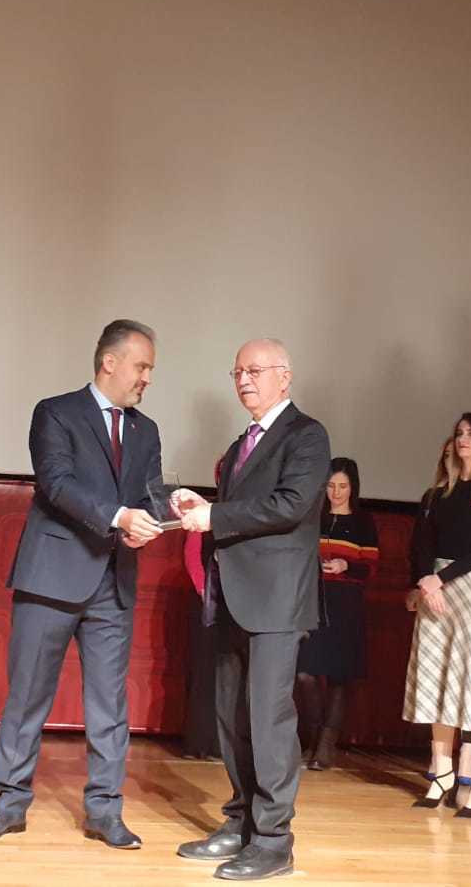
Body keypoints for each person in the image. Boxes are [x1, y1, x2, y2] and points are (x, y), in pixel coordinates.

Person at [0, 320, 166, 849]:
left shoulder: (146, 430)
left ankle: (105, 811)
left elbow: (148, 496)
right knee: (28, 695)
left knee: (109, 705)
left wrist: (162, 512)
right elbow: (56, 484)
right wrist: (119, 517)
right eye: (142, 366)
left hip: (113, 582)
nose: (147, 378)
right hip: (52, 576)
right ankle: (9, 804)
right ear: (110, 362)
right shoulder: (55, 412)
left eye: (150, 369)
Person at [174, 338, 330, 881]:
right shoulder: (243, 441)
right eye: (237, 371)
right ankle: (241, 822)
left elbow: (290, 505)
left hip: (277, 601)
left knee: (268, 720)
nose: (244, 380)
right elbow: (242, 510)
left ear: (285, 376)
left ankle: (273, 840)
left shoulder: (307, 435)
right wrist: (204, 507)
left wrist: (215, 517)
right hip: (233, 596)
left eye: (255, 370)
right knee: (231, 718)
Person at [402, 413, 471, 819]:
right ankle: (442, 773)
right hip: (434, 590)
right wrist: (423, 583)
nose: (463, 439)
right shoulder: (435, 495)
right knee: (436, 678)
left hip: (470, 586)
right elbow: (419, 545)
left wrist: (439, 580)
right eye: (459, 433)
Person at [296, 457, 378, 770]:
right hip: (314, 600)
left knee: (339, 677)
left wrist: (347, 565)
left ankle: (325, 747)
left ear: (353, 487)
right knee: (305, 673)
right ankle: (314, 737)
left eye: (343, 486)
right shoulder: (313, 516)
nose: (337, 492)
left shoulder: (363, 521)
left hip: (346, 603)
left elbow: (371, 567)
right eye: (331, 486)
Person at [178, 458, 226, 761]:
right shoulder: (204, 511)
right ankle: (198, 742)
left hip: (240, 608)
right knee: (204, 673)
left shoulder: (248, 515)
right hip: (208, 606)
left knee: (230, 677)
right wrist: (205, 593)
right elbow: (192, 557)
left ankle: (223, 745)